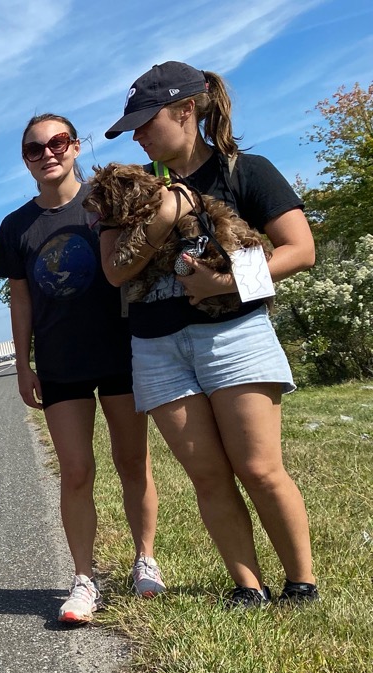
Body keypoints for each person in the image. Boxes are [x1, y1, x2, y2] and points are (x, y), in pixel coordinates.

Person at [99, 62, 317, 607]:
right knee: (208, 475)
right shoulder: (132, 190)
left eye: (146, 123)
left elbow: (300, 250)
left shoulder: (245, 171)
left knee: (259, 468)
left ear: (185, 111)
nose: (139, 136)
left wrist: (225, 282)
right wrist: (167, 211)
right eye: (133, 128)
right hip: (157, 347)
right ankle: (248, 587)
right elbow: (116, 272)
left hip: (234, 336)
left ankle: (301, 583)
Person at [0, 114, 165, 625]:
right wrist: (23, 364)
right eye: (34, 148)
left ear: (74, 146)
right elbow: (20, 300)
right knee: (76, 471)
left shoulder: (107, 201)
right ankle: (84, 578)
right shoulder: (15, 226)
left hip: (120, 351)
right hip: (60, 360)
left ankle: (145, 559)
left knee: (132, 461)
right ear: (25, 160)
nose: (47, 153)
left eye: (58, 142)